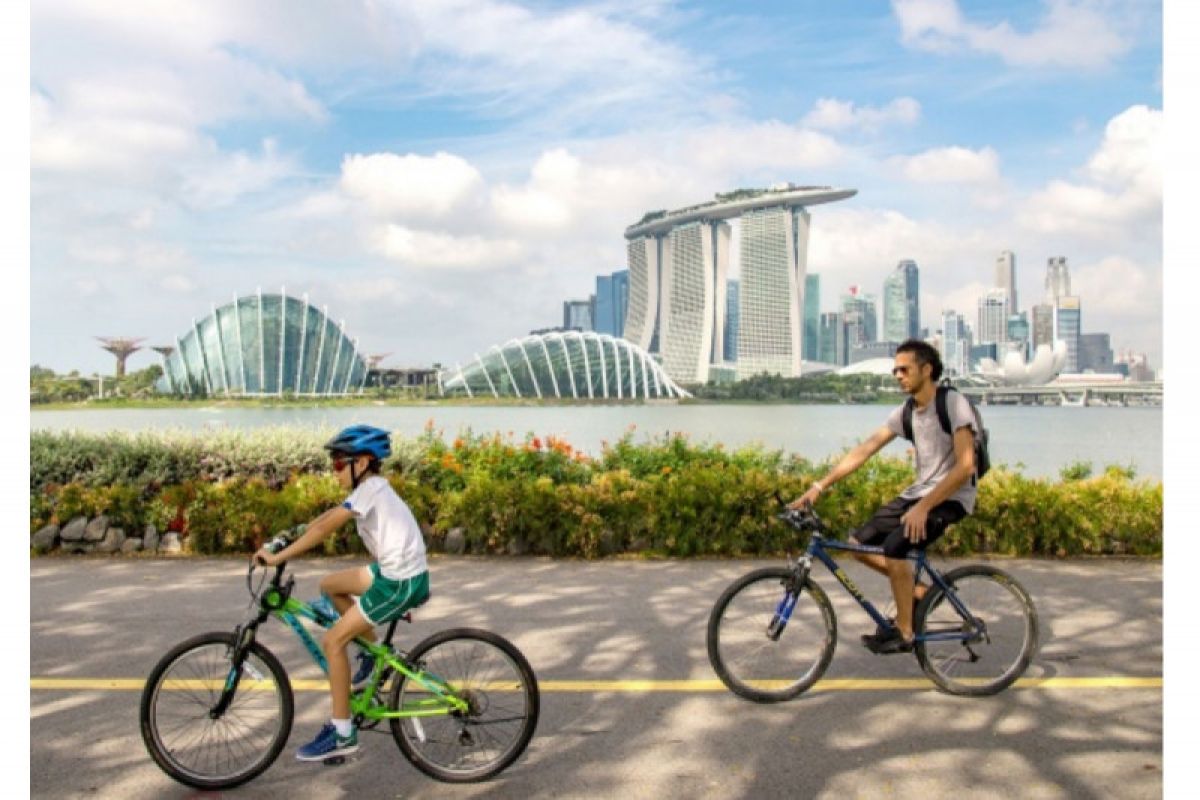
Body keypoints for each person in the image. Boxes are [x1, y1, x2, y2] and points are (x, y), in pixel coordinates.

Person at [255, 424, 430, 761]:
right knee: (330, 586)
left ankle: (342, 732)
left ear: (362, 463)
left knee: (334, 641)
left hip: (400, 581)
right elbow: (328, 516)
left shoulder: (371, 491)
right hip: (395, 571)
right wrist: (290, 534)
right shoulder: (370, 489)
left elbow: (325, 528)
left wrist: (278, 557)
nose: (334, 471)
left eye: (338, 464)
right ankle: (373, 654)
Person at [790, 339, 978, 654]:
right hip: (918, 495)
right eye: (895, 370)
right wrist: (819, 487)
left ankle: (904, 631)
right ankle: (921, 592)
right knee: (857, 544)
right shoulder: (906, 412)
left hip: (951, 498)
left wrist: (923, 507)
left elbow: (965, 466)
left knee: (895, 549)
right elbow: (865, 449)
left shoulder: (953, 404)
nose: (898, 376)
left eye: (904, 369)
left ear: (926, 369)